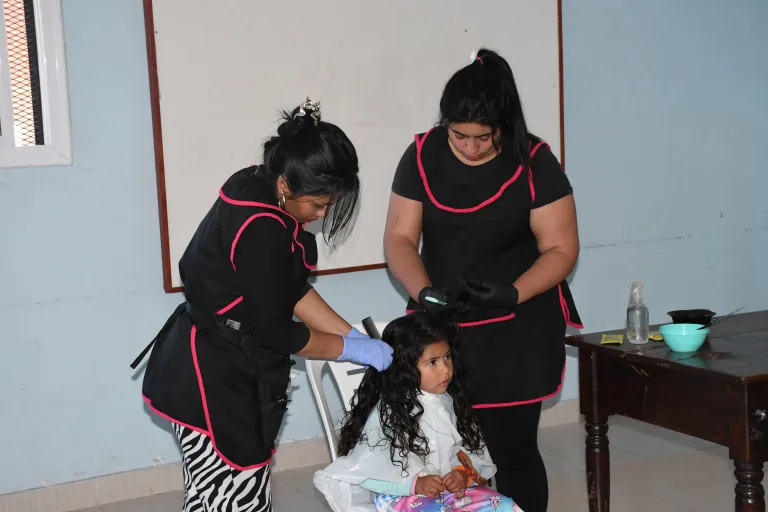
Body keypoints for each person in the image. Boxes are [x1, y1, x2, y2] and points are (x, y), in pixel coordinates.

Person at [131, 99, 393, 512]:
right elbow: (277, 330)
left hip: (212, 356)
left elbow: (289, 290)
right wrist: (349, 350)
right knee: (234, 498)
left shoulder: (257, 183)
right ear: (287, 184)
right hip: (215, 375)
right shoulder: (262, 229)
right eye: (318, 204)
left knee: (214, 497)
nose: (322, 214)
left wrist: (351, 335)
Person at [383, 49, 582, 512]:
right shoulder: (421, 156)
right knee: (446, 456)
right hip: (443, 329)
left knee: (512, 452)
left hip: (519, 324)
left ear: (503, 126)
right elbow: (399, 238)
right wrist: (423, 292)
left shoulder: (534, 161)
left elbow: (561, 249)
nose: (470, 148)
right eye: (459, 135)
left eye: (483, 138)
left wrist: (513, 292)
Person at [314, 313, 524, 512]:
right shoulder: (389, 413)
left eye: (447, 357)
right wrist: (414, 485)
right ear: (405, 367)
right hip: (400, 495)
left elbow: (471, 453)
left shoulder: (452, 401)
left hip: (450, 492)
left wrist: (461, 474)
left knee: (505, 506)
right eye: (432, 362)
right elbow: (365, 474)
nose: (445, 369)